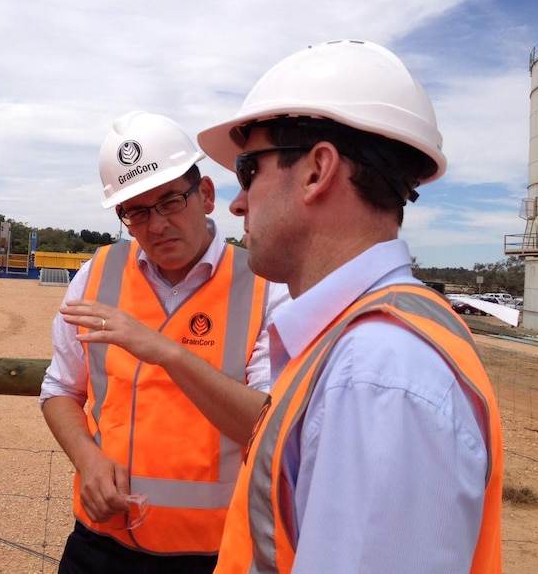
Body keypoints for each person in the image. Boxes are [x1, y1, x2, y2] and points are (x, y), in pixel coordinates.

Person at [196, 39, 503, 573]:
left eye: (249, 170)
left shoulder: (375, 375)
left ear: (317, 170)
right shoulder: (363, 343)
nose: (237, 201)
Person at [40, 110, 290, 574]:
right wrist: (87, 457)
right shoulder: (96, 274)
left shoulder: (265, 287)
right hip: (99, 546)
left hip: (215, 555)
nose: (155, 225)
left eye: (171, 201)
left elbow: (267, 425)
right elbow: (61, 390)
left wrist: (167, 353)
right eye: (135, 210)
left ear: (207, 195)